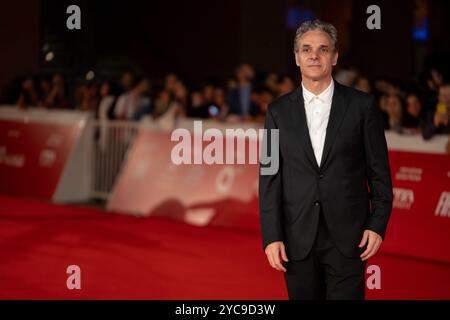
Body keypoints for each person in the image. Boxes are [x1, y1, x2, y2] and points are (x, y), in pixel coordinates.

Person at [259, 19, 393, 300]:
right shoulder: (277, 112)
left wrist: (377, 225)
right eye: (306, 49)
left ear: (334, 56)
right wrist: (272, 236)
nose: (314, 56)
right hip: (297, 238)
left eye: (323, 49)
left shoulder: (362, 106)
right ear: (296, 57)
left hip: (350, 238)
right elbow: (269, 177)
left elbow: (379, 173)